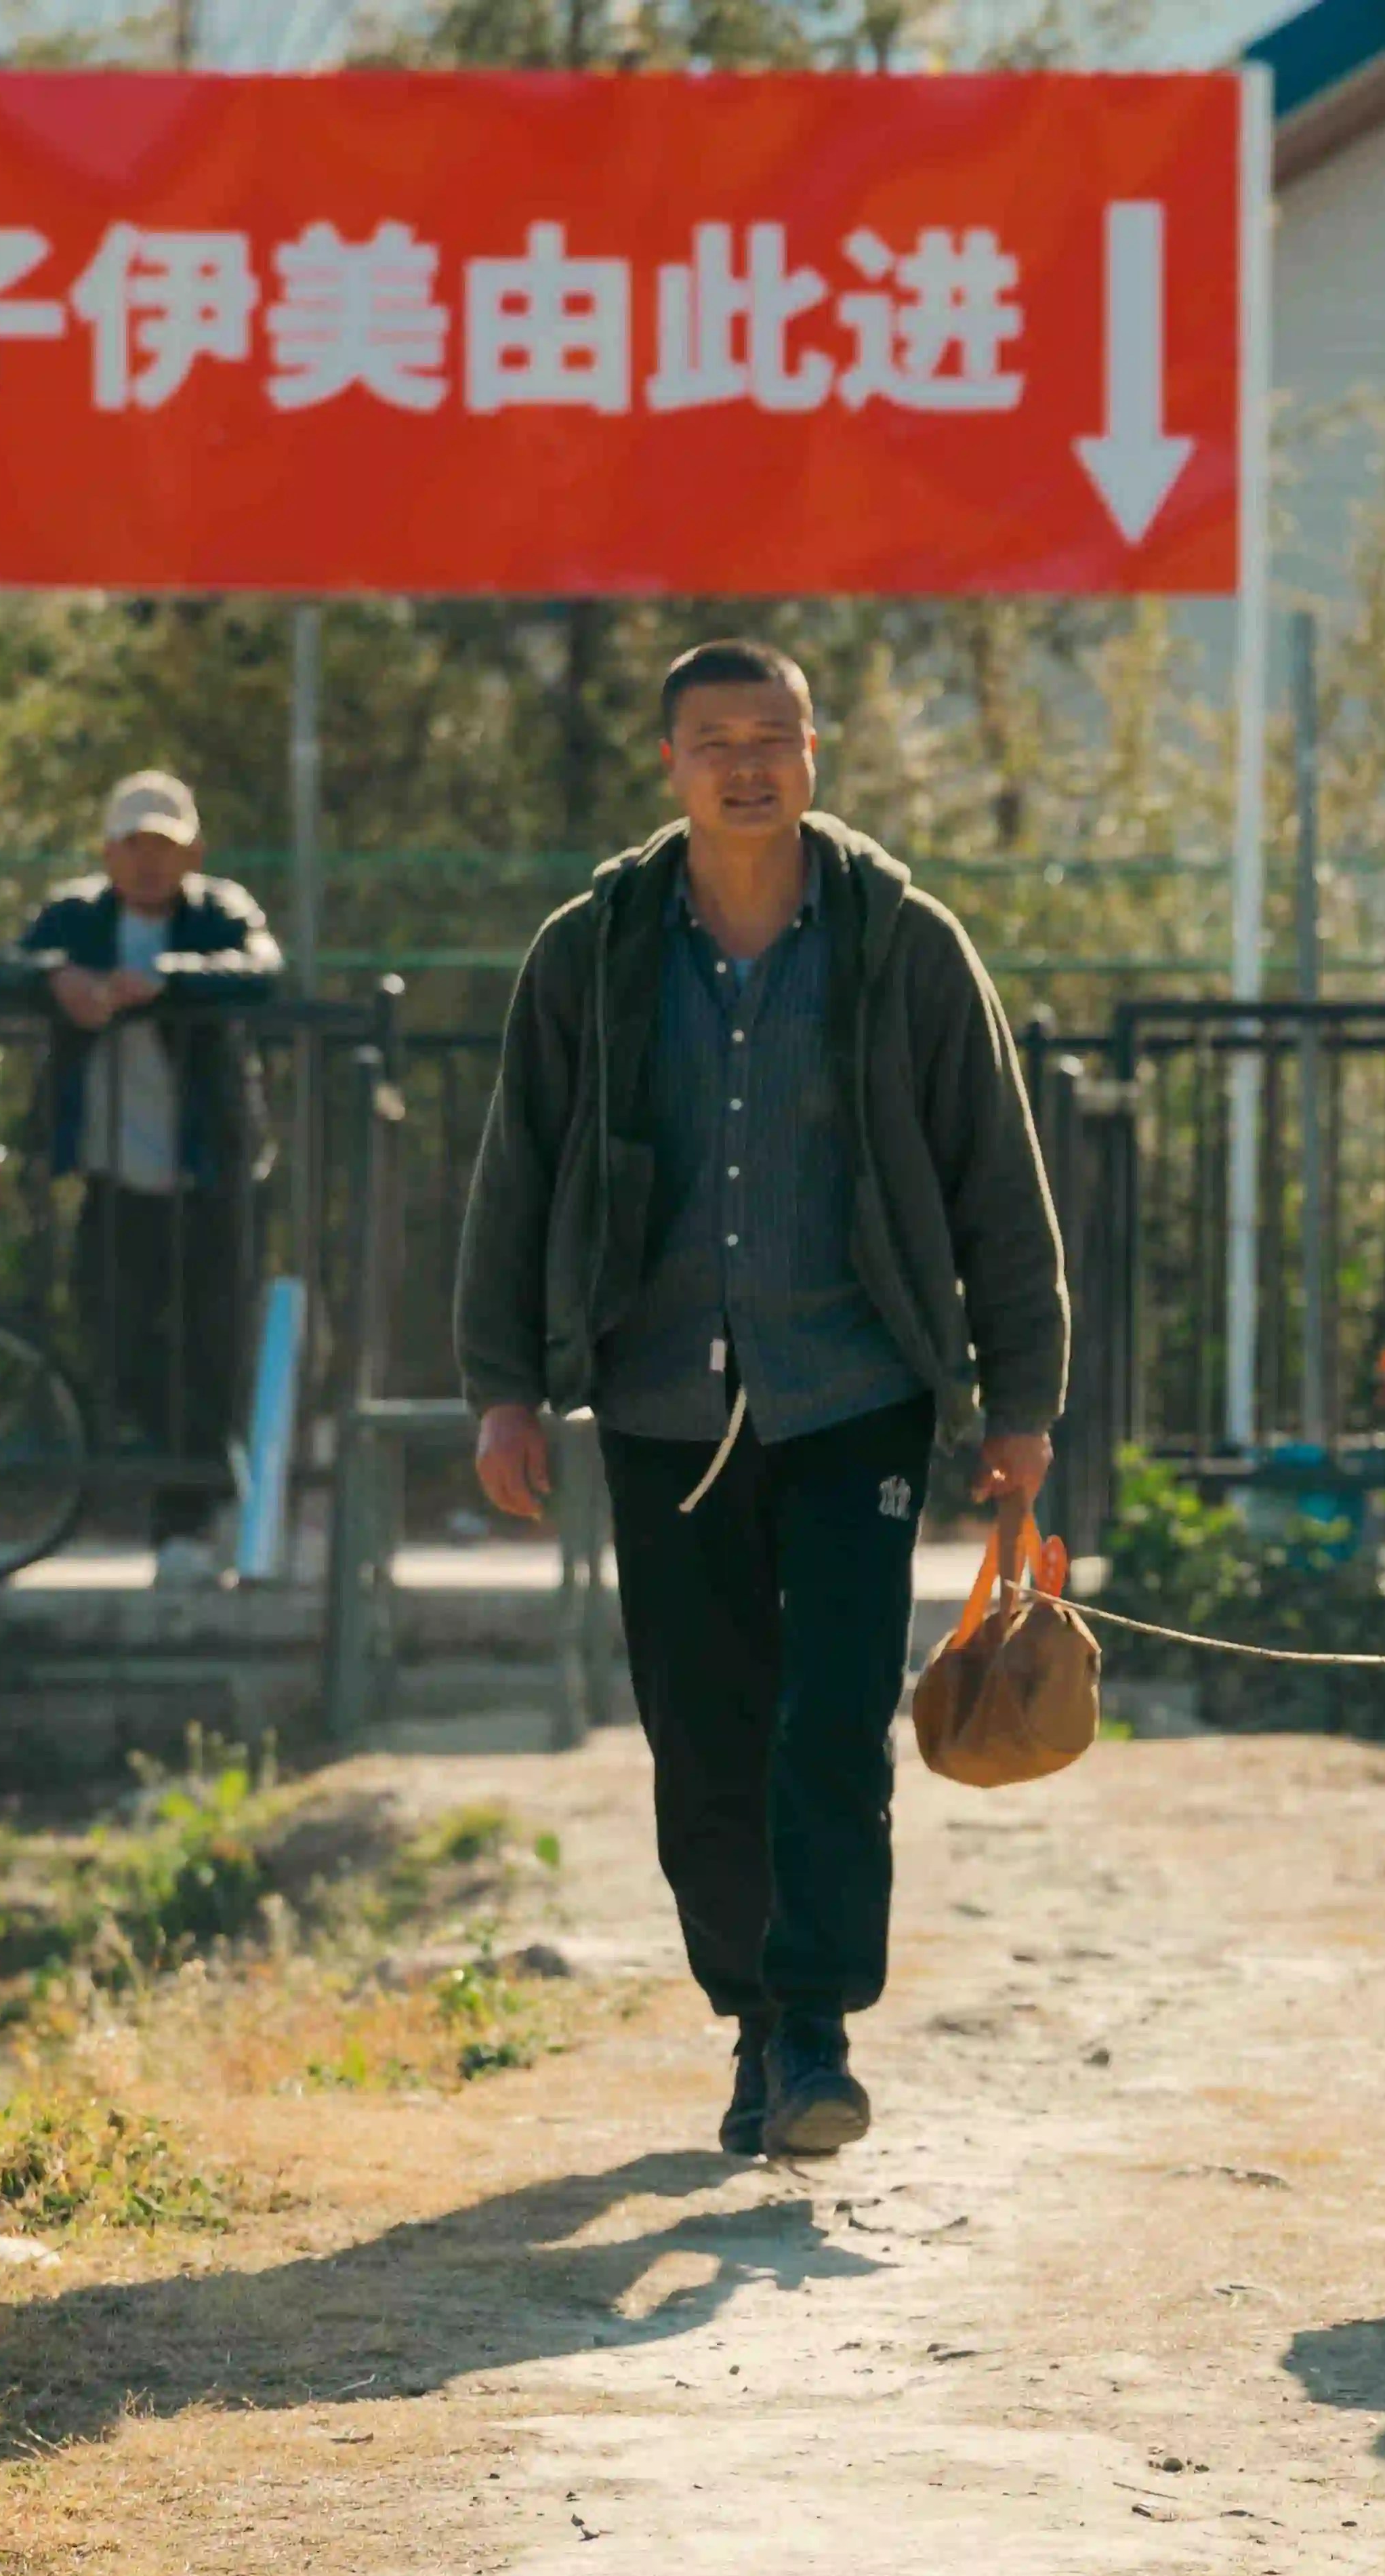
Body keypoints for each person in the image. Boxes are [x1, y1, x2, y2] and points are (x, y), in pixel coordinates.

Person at [455, 639, 1067, 2163]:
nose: (746, 764)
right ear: (668, 762)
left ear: (814, 751)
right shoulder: (591, 952)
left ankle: (813, 2029)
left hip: (854, 1391)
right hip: (660, 1398)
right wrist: (503, 1390)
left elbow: (996, 1176)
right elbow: (516, 1171)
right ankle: (750, 2020)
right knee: (703, 1728)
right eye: (714, 739)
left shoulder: (902, 942)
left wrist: (1020, 1397)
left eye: (772, 735)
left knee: (834, 1719)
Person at [0, 770, 283, 1587]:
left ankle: (188, 1521)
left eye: (163, 845)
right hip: (114, 1176)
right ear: (107, 852)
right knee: (113, 1335)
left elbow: (263, 970)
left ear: (193, 853)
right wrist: (57, 979)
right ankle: (197, 1485)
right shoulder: (76, 916)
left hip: (209, 1174)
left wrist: (169, 982)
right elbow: (1, 969)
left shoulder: (220, 912)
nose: (148, 861)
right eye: (132, 845)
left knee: (208, 1348)